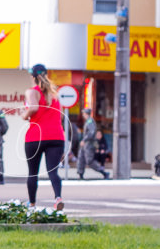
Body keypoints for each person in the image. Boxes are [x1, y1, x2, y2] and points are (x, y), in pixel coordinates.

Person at [20, 64, 66, 210]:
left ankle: (32, 203)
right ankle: (58, 197)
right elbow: (59, 117)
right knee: (53, 171)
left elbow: (33, 107)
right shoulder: (55, 94)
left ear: (33, 77)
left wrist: (24, 115)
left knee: (33, 172)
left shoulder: (32, 92)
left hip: (36, 136)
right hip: (56, 137)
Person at [76, 108, 109, 180]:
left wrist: (84, 140)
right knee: (81, 158)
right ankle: (80, 174)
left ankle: (103, 172)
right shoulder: (88, 121)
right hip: (85, 143)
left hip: (89, 144)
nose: (83, 114)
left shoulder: (90, 121)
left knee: (89, 160)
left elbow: (91, 132)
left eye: (83, 113)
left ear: (86, 113)